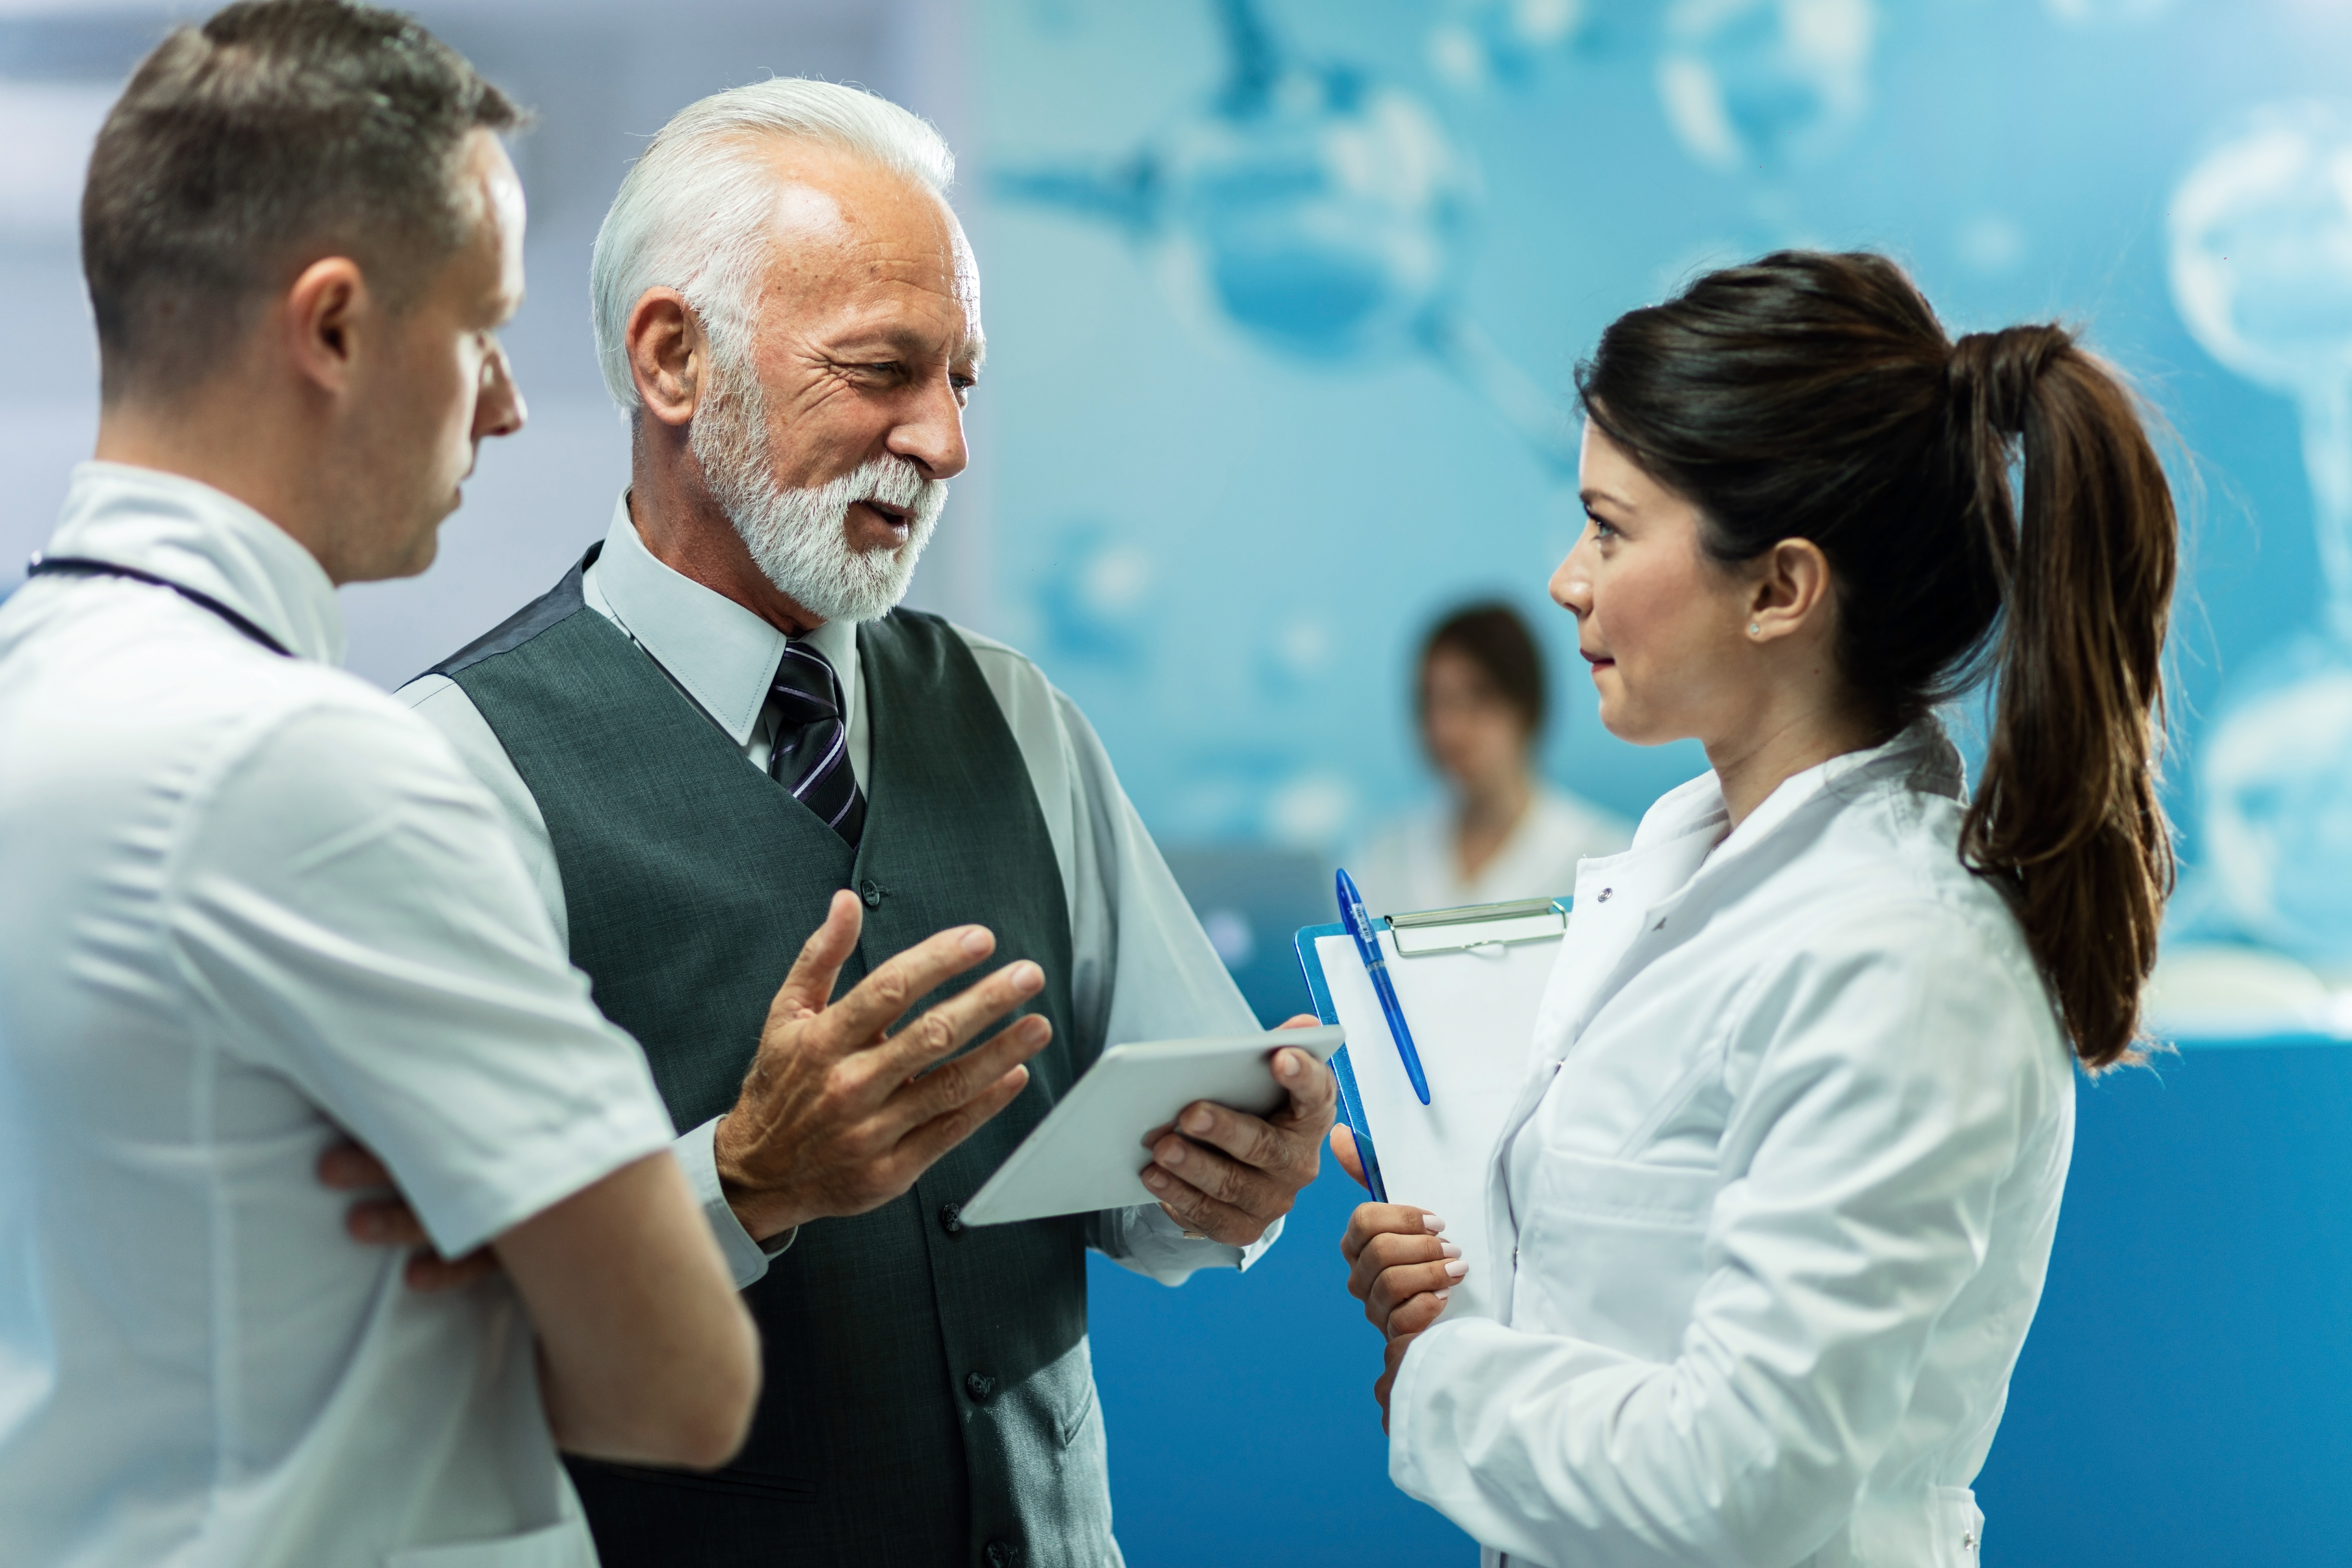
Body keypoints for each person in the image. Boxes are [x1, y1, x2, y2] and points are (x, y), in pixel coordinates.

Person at [0, 7, 1050, 1565]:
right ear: (337, 328)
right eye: (482, 329)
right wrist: (511, 1274)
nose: (502, 405)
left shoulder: (35, 696)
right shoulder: (330, 776)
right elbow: (680, 1375)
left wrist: (413, 1266)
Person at [393, 79, 1336, 1567]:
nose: (945, 441)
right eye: (887, 369)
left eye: (965, 379)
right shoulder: (448, 771)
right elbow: (415, 1326)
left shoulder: (1018, 716)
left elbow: (1161, 1194)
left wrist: (1235, 1185)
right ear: (672, 359)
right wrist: (746, 1175)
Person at [1339, 252, 2178, 1566]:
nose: (1568, 579)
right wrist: (1468, 1270)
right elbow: (1644, 1293)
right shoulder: (1685, 867)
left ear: (1781, 588)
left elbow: (1745, 1486)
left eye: (1610, 530)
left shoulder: (1902, 960)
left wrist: (1451, 1378)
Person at [1351, 601, 1630, 912]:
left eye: (1478, 697)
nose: (1450, 730)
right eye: (1435, 702)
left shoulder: (1604, 859)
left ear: (1526, 707)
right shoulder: (1385, 857)